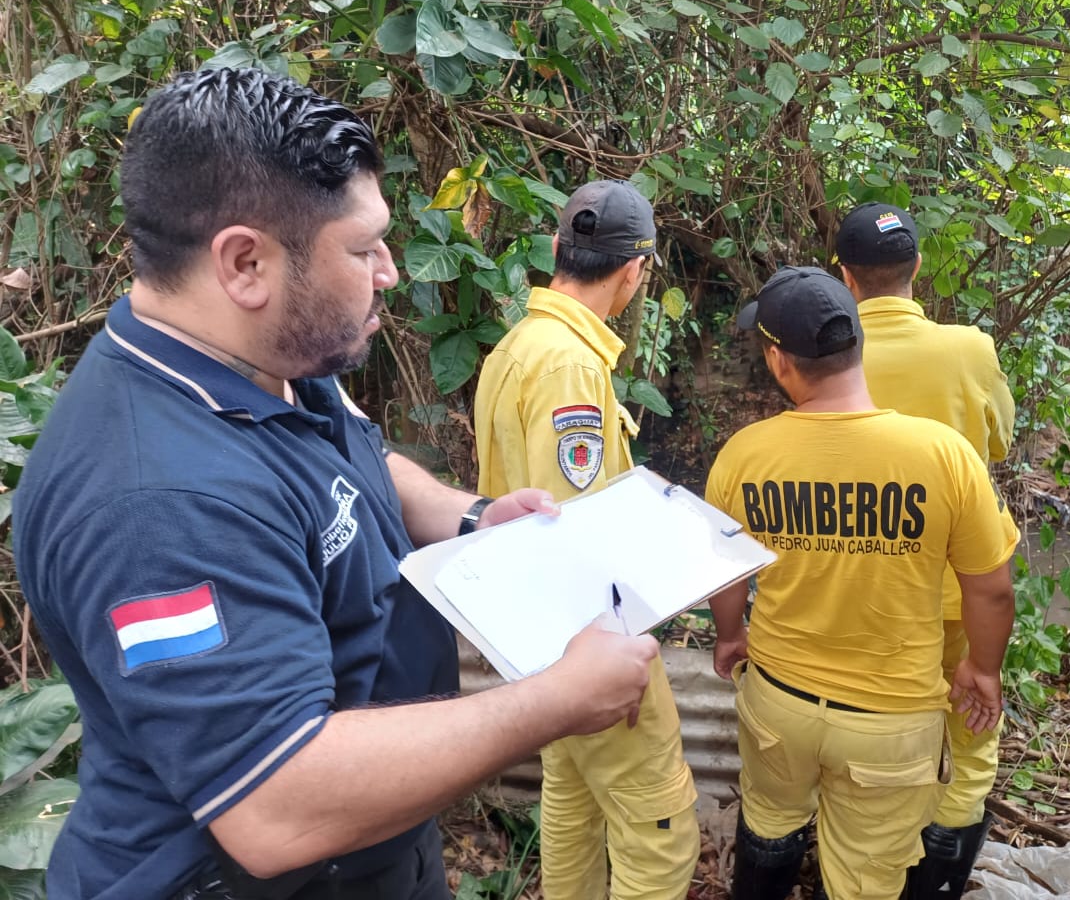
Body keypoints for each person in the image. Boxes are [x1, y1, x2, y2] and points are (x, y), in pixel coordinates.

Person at [11, 68, 661, 900]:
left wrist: (470, 516)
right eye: (362, 249)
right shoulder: (155, 504)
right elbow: (277, 804)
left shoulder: (265, 354)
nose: (389, 270)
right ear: (245, 262)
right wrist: (555, 700)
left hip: (376, 848)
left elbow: (353, 461)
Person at [706, 266, 1017, 900]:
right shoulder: (943, 453)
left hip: (781, 698)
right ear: (858, 343)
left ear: (778, 360)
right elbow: (991, 589)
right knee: (867, 876)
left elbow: (725, 571)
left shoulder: (745, 453)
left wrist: (730, 635)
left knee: (770, 820)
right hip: (892, 721)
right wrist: (982, 668)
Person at [472, 180, 699, 900]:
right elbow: (574, 522)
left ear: (555, 249)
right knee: (659, 829)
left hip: (543, 635)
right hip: (588, 636)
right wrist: (609, 650)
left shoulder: (519, 344)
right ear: (634, 271)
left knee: (571, 801)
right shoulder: (569, 364)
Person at [833, 202, 1015, 895]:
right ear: (916, 266)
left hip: (859, 585)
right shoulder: (969, 348)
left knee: (869, 726)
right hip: (956, 585)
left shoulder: (832, 351)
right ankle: (935, 878)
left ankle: (861, 860)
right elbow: (998, 442)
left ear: (845, 276)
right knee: (970, 729)